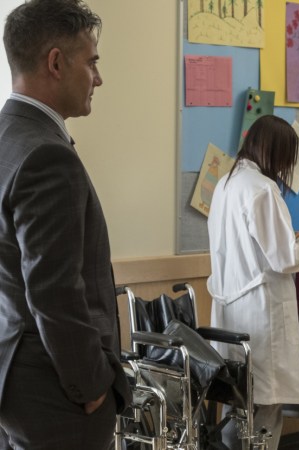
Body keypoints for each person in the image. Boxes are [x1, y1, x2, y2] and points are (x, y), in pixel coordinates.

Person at [0, 1, 131, 449]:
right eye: (91, 62)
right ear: (56, 63)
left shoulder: (8, 136)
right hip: (56, 392)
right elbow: (54, 290)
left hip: (14, 375)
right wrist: (91, 386)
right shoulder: (46, 154)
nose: (98, 78)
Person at [206, 114, 299, 450]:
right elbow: (285, 258)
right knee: (263, 410)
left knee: (237, 402)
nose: (285, 167)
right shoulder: (262, 189)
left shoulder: (226, 184)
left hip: (232, 311)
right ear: (275, 151)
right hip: (261, 313)